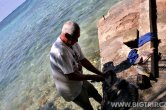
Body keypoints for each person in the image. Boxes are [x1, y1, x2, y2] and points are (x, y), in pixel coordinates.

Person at [50, 21, 104, 110]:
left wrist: (100, 73)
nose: (77, 41)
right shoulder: (60, 52)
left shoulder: (72, 41)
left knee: (94, 93)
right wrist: (93, 77)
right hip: (71, 89)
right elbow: (71, 76)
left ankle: (105, 105)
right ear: (67, 35)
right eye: (76, 38)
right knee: (88, 107)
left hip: (79, 79)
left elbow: (83, 60)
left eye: (78, 37)